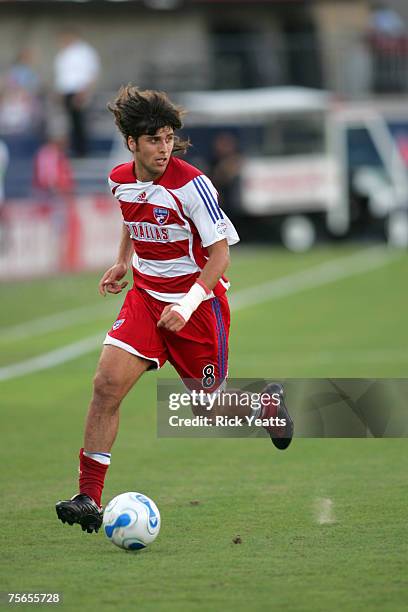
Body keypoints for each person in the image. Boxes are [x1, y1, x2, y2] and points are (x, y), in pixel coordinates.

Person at [55, 86, 293, 534]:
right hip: (145, 298)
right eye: (153, 140)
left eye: (168, 138)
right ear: (132, 143)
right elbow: (132, 216)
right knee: (106, 384)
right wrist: (123, 261)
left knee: (207, 407)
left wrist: (185, 306)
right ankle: (88, 496)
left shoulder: (193, 185)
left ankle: (265, 406)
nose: (164, 149)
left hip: (197, 305)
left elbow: (220, 257)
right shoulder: (119, 178)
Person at [53, 29, 100, 157]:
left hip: (79, 91)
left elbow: (91, 72)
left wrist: (84, 91)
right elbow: (63, 75)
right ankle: (74, 148)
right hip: (67, 91)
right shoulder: (63, 53)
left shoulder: (84, 52)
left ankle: (82, 150)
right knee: (70, 121)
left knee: (80, 121)